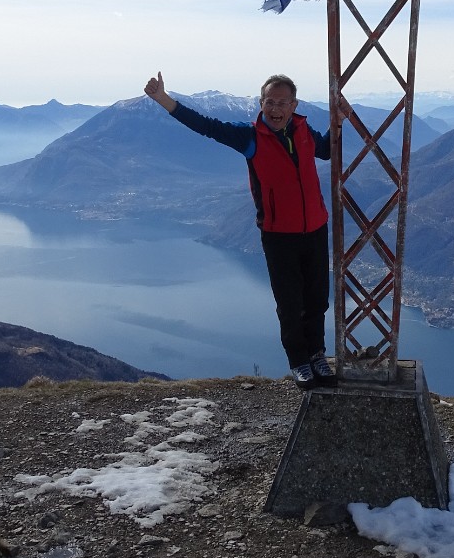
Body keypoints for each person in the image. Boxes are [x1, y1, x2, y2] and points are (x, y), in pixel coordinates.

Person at [144, 71, 336, 390]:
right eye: (269, 102)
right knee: (290, 302)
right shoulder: (250, 137)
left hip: (315, 228)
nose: (275, 109)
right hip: (279, 236)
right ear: (261, 104)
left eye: (282, 103)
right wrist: (165, 101)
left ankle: (317, 355)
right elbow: (206, 126)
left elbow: (327, 151)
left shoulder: (304, 130)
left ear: (294, 105)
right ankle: (299, 362)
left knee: (316, 299)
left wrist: (339, 122)